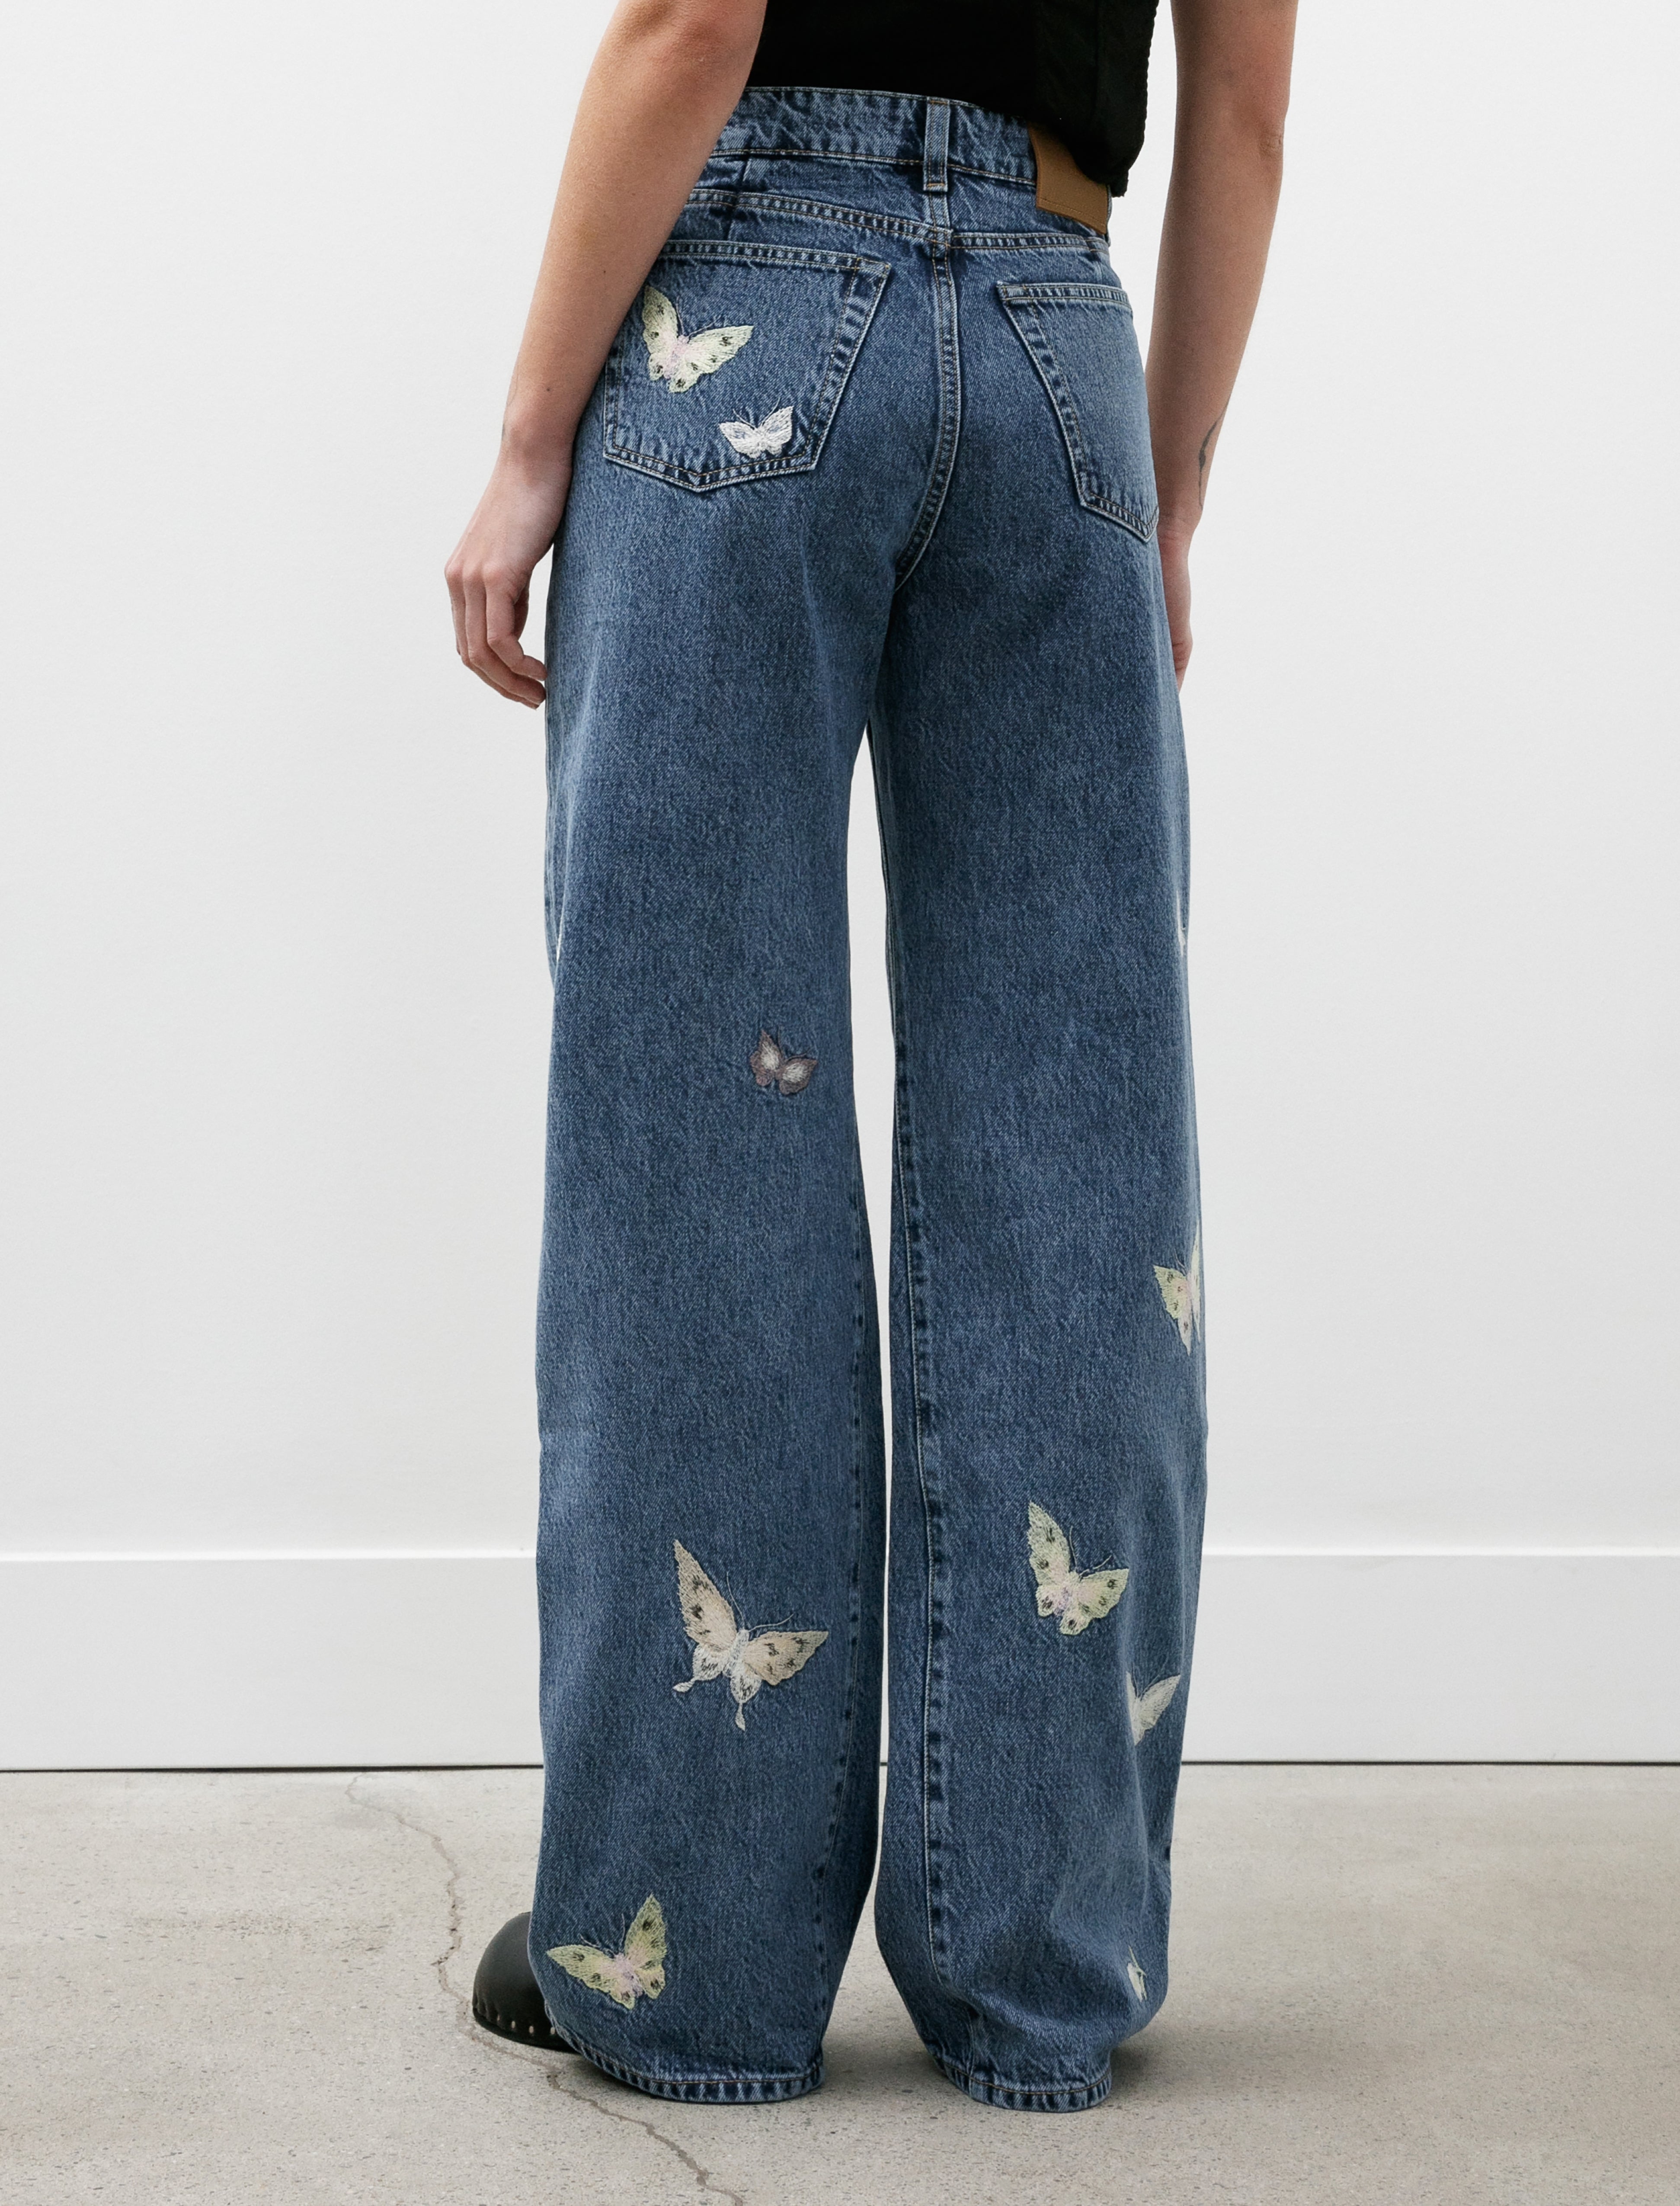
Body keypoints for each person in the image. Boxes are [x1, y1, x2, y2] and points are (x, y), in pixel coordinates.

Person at [447, 0, 1296, 2113]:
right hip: (1059, 329)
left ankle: (690, 1967)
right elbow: (1247, 102)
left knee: (693, 1146)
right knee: (1078, 1162)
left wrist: (532, 440)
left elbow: (693, 20)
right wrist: (1167, 490)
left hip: (748, 303)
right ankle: (1045, 1963)